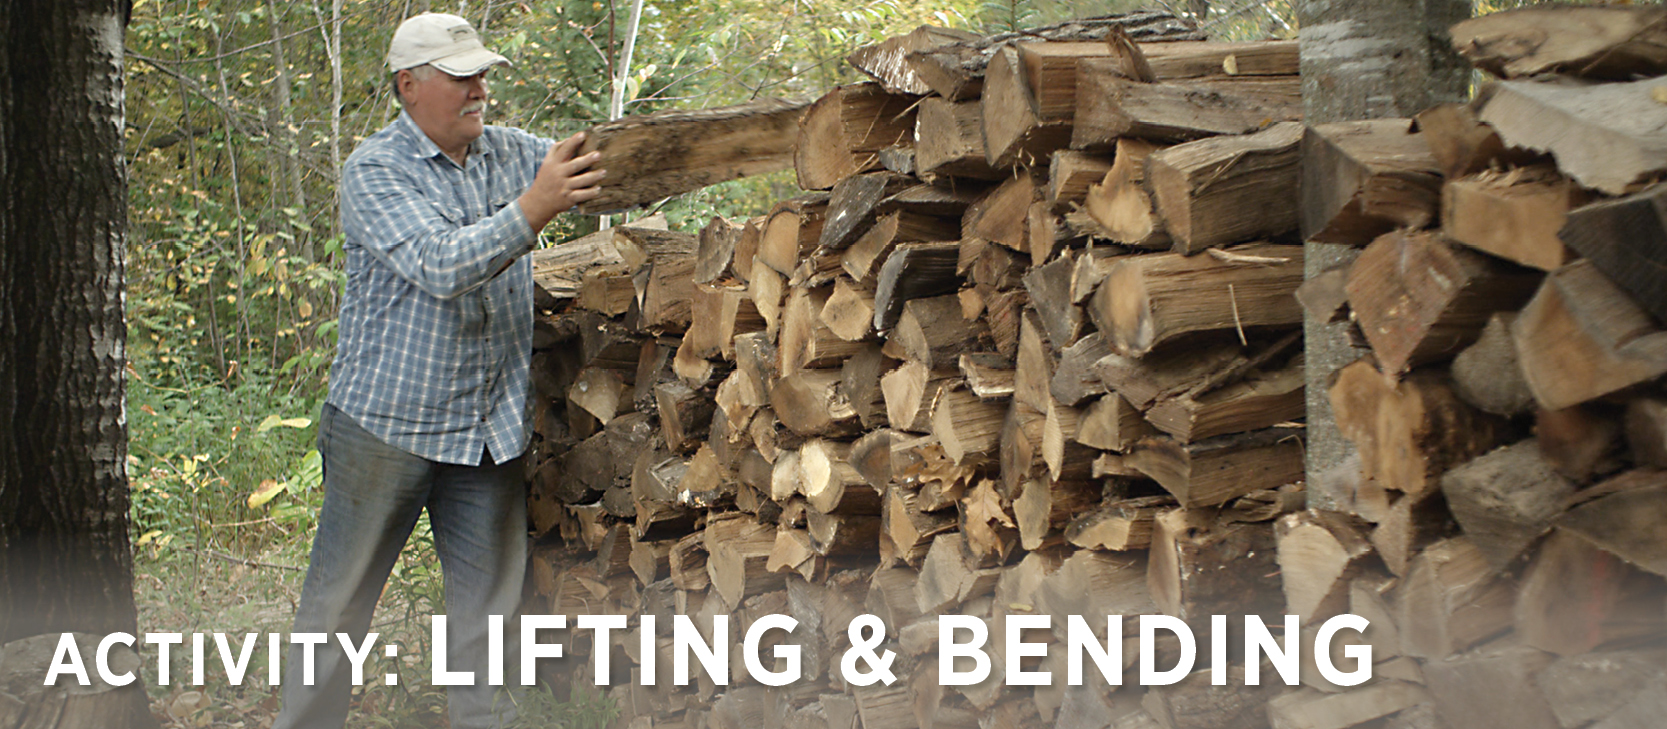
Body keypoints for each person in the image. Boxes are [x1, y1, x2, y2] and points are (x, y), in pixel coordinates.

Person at [272, 12, 604, 729]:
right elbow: (439, 264)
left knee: (484, 614)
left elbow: (604, 162)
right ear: (410, 86)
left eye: (482, 74)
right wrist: (536, 207)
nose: (479, 89)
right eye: (462, 78)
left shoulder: (511, 154)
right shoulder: (375, 170)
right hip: (386, 428)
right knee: (337, 605)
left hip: (485, 430)